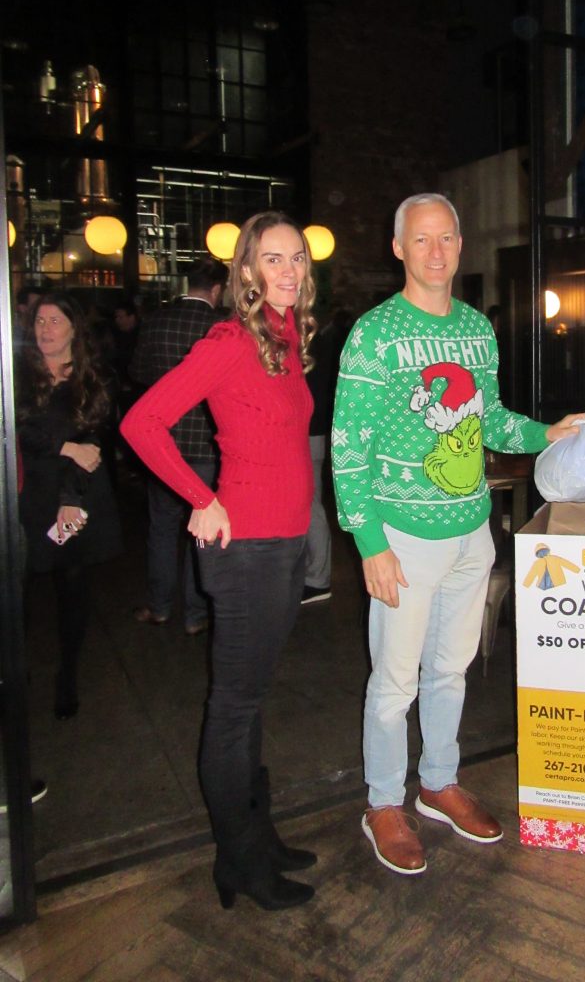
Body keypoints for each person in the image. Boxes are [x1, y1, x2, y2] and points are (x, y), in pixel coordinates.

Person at [331, 193, 584, 875]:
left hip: (473, 532)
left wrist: (547, 433)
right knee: (395, 682)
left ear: (460, 244)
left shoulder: (476, 329)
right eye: (421, 239)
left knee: (450, 670)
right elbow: (348, 447)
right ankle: (384, 802)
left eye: (446, 237)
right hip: (404, 539)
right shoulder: (375, 334)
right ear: (398, 248)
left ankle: (438, 782)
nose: (435, 251)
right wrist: (369, 542)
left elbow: (490, 419)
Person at [121, 212, 319, 912]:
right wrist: (201, 497)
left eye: (297, 257)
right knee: (234, 709)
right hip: (247, 552)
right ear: (247, 271)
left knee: (251, 700)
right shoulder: (231, 339)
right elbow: (141, 423)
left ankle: (258, 837)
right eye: (274, 258)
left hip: (285, 543)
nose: (288, 270)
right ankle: (238, 861)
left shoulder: (285, 337)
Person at [15, 291, 123, 721]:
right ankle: (14, 672)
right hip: (28, 495)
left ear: (74, 328)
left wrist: (70, 499)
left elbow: (92, 445)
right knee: (18, 586)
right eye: (39, 321)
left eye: (55, 321)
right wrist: (64, 446)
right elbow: (19, 432)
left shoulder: (93, 378)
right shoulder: (19, 374)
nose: (45, 329)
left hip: (73, 497)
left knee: (72, 585)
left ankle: (68, 675)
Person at [129, 257, 230, 634]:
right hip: (206, 445)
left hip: (163, 445)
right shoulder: (221, 327)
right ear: (217, 289)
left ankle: (159, 606)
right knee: (201, 532)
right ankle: (195, 614)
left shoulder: (156, 321)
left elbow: (137, 372)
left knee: (161, 528)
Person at [300, 307, 352, 605]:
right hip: (315, 430)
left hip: (309, 433)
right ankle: (315, 574)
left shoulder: (313, 345)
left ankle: (318, 578)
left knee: (311, 504)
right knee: (311, 502)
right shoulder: (321, 343)